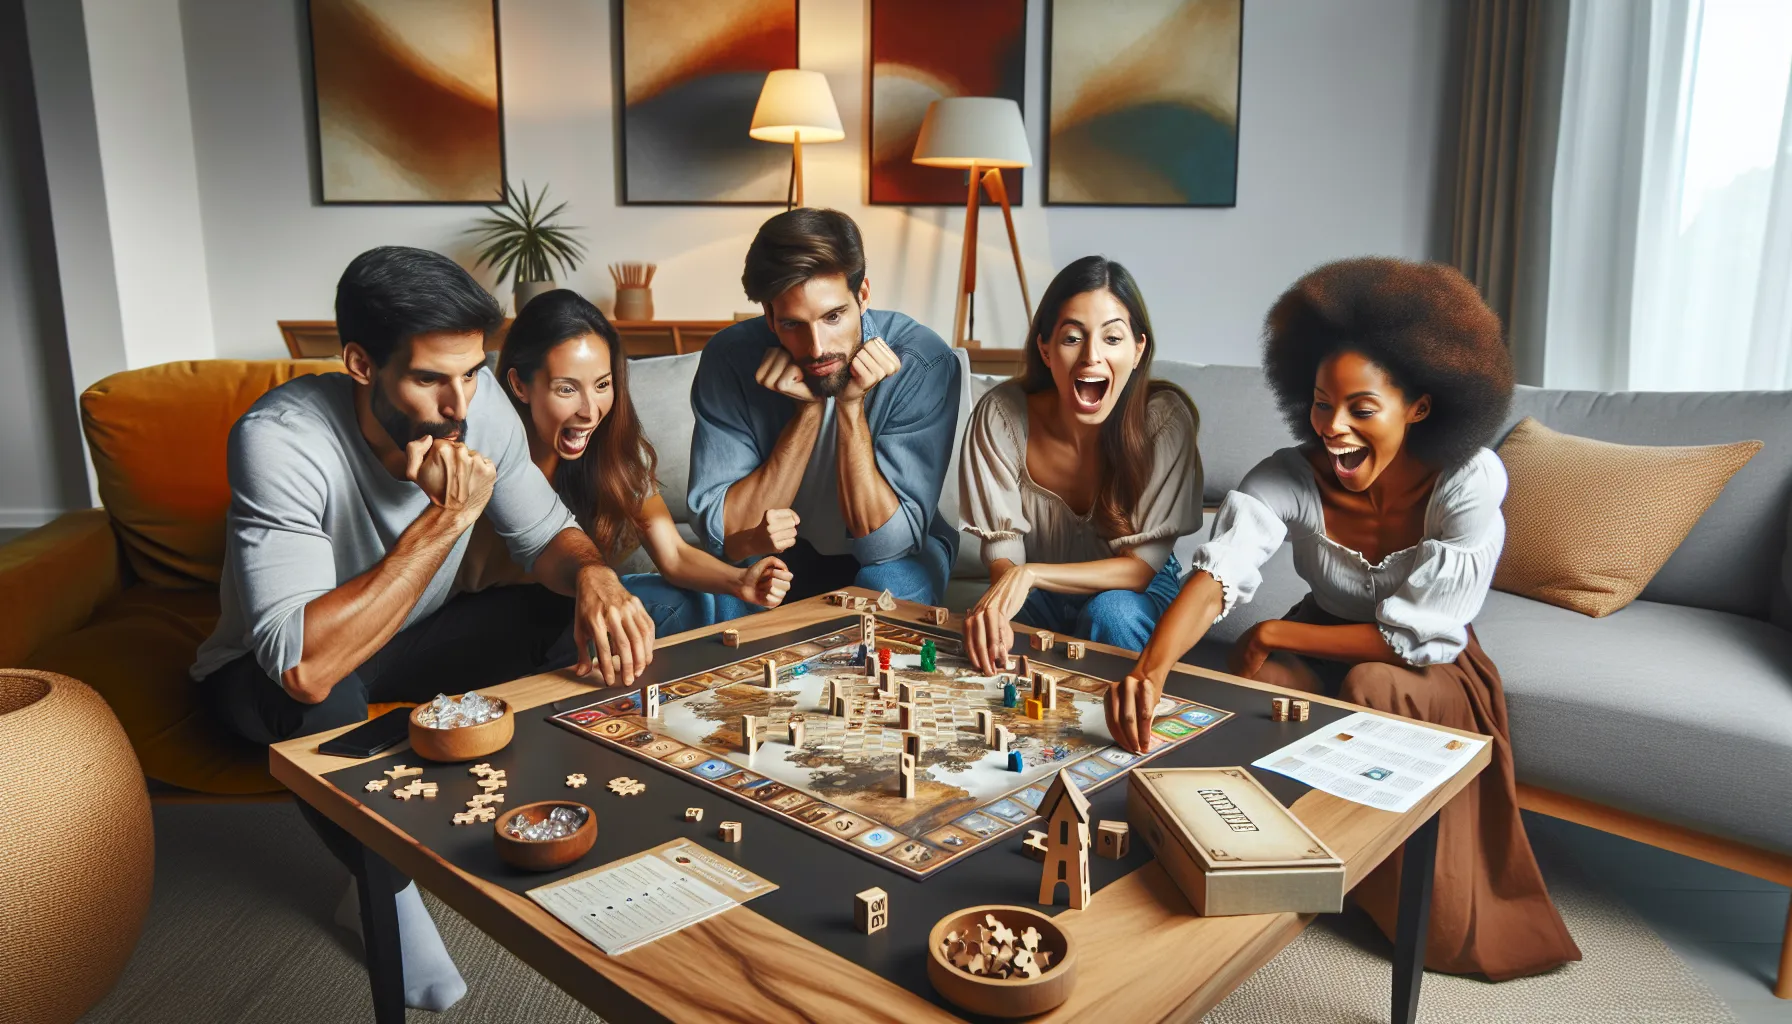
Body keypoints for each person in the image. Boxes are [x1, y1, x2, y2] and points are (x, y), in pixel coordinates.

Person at [192, 247, 656, 1011]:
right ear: (360, 363)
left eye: (471, 372)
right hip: (266, 676)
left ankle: (548, 812)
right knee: (325, 701)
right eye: (431, 378)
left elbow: (549, 541)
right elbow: (303, 666)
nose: (460, 403)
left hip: (409, 645)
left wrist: (596, 575)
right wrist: (447, 518)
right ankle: (383, 886)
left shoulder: (479, 408)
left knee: (556, 608)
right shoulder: (281, 439)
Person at [1105, 257, 1580, 980]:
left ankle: (1392, 896)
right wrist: (1150, 668)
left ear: (1420, 405)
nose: (1333, 428)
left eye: (1362, 408)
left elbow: (1410, 640)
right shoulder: (1289, 475)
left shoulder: (1469, 481)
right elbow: (1215, 574)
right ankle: (1277, 871)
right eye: (1323, 403)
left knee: (1368, 686)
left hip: (1426, 665)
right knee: (1265, 686)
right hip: (1324, 636)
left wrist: (1273, 629)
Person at [687, 208, 962, 608]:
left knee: (886, 587)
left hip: (894, 559)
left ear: (863, 295)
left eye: (833, 316)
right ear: (769, 315)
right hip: (775, 557)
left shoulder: (923, 362)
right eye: (793, 324)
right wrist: (808, 413)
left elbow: (885, 545)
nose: (817, 348)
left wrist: (851, 405)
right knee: (723, 600)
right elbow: (727, 534)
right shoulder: (729, 359)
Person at [958, 256, 1203, 674]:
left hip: (1134, 593)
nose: (1091, 356)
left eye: (1112, 338)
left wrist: (1030, 574)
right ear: (1046, 348)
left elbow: (1140, 571)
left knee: (1112, 614)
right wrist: (1007, 594)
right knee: (987, 630)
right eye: (1073, 338)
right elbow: (1004, 552)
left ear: (1138, 349)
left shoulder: (1164, 421)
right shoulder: (999, 416)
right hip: (1039, 590)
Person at [495, 288, 793, 631]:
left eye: (602, 385)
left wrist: (741, 581)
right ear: (520, 386)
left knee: (710, 599)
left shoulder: (616, 451)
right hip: (494, 613)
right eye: (566, 389)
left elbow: (674, 556)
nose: (590, 412)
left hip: (585, 602)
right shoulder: (493, 445)